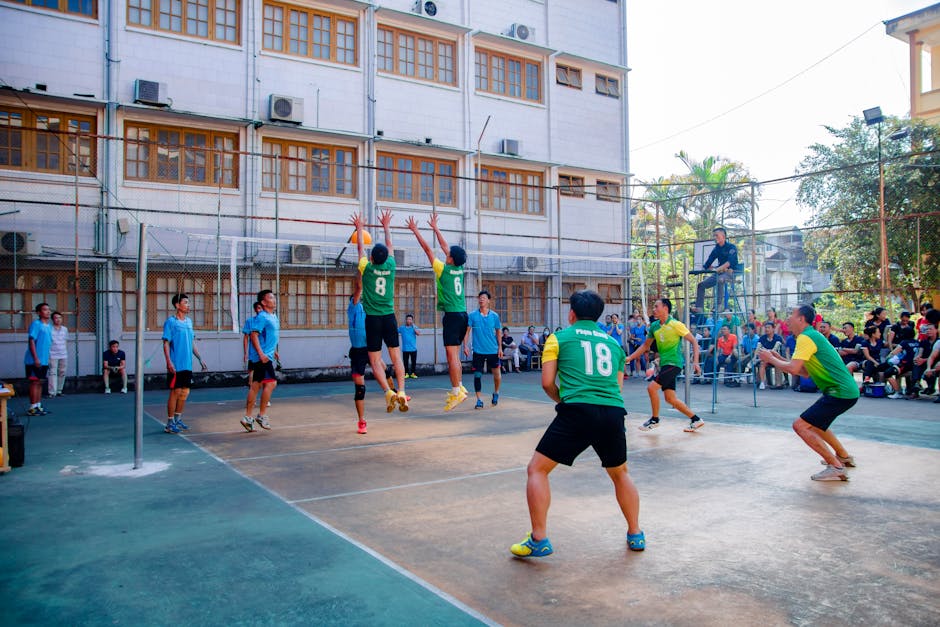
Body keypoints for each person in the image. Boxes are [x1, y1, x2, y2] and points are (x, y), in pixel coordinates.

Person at [509, 290, 644, 558]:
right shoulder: (614, 345)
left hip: (578, 410)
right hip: (613, 412)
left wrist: (563, 400)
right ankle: (636, 533)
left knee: (537, 470)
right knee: (620, 473)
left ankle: (539, 538)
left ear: (571, 314)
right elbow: (617, 387)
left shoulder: (558, 339)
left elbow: (547, 382)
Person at [756, 305, 859, 481]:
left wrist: (770, 359)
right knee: (816, 424)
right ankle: (842, 456)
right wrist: (779, 359)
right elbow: (804, 372)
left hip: (839, 392)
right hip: (843, 391)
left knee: (800, 426)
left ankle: (836, 466)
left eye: (791, 315)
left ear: (801, 319)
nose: (787, 319)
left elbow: (795, 370)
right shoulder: (811, 336)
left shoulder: (806, 337)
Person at [406, 213, 467, 410]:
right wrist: (435, 228)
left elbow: (427, 249)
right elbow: (445, 248)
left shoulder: (443, 270)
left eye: (448, 254)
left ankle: (456, 392)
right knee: (455, 355)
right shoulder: (459, 268)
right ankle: (460, 387)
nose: (445, 253)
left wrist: (416, 231)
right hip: (462, 314)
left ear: (450, 259)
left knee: (451, 357)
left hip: (452, 316)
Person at [353, 210, 408, 412]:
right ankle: (401, 391)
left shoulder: (366, 268)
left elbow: (360, 248)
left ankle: (388, 392)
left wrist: (359, 228)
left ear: (372, 258)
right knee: (396, 357)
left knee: (375, 360)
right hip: (389, 317)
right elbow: (390, 245)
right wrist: (386, 225)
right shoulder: (391, 265)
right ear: (385, 258)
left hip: (373, 319)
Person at [627, 298, 705, 433]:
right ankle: (696, 419)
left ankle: (655, 420)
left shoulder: (676, 324)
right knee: (670, 398)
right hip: (664, 365)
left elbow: (693, 341)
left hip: (674, 363)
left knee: (651, 388)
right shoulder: (654, 326)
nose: (654, 309)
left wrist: (696, 362)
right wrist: (630, 357)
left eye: (657, 306)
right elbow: (645, 346)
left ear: (665, 308)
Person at [348, 273, 391, 435]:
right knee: (360, 389)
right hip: (358, 352)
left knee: (386, 370)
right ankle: (361, 421)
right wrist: (362, 270)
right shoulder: (353, 307)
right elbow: (359, 288)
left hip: (371, 348)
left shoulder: (370, 309)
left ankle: (395, 395)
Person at [162, 293, 208, 434]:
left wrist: (200, 358)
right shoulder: (171, 322)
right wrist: (169, 362)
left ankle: (177, 419)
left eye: (188, 302)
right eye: (186, 302)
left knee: (185, 392)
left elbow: (191, 342)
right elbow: (166, 343)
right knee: (175, 392)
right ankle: (169, 423)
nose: (188, 305)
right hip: (176, 364)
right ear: (177, 305)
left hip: (187, 364)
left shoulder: (188, 322)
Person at [241, 289, 279, 432]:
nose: (273, 299)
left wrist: (274, 351)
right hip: (262, 358)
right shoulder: (262, 317)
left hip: (267, 355)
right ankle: (261, 415)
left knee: (255, 386)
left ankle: (247, 418)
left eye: (274, 297)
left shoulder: (273, 316)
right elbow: (253, 336)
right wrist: (261, 354)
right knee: (271, 383)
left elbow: (269, 337)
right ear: (263, 302)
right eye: (270, 297)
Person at [464, 290, 503, 409]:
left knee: (497, 376)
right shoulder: (472, 315)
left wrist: (500, 347)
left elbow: (498, 332)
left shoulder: (494, 316)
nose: (481, 299)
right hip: (478, 351)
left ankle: (496, 393)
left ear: (488, 301)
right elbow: (467, 332)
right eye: (480, 297)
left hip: (493, 350)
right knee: (477, 375)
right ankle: (479, 400)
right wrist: (465, 346)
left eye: (484, 298)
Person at [693, 227, 738, 313]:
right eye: (714, 236)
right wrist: (700, 270)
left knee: (720, 280)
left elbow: (729, 263)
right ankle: (699, 307)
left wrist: (717, 269)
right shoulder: (716, 249)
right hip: (719, 273)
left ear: (723, 236)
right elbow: (709, 261)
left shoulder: (731, 247)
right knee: (701, 285)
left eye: (717, 235)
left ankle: (719, 305)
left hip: (730, 273)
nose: (715, 237)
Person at [24, 303, 53, 416]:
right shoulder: (36, 324)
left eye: (48, 310)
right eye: (45, 310)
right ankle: (32, 407)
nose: (48, 312)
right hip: (33, 360)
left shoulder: (49, 326)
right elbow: (31, 341)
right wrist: (36, 358)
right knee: (34, 382)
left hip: (44, 360)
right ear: (39, 313)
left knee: (40, 382)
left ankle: (38, 406)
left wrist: (47, 358)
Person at [757, 322, 783, 390]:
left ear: (773, 329)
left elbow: (774, 349)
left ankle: (778, 384)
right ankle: (762, 382)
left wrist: (766, 350)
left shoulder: (778, 337)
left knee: (778, 364)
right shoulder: (762, 338)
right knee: (762, 364)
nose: (766, 329)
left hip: (776, 357)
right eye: (766, 327)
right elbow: (758, 348)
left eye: (768, 327)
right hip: (765, 358)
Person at [47, 311, 68, 397]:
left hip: (63, 353)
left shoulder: (65, 329)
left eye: (59, 318)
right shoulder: (49, 329)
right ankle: (52, 392)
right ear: (52, 320)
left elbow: (66, 340)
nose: (58, 320)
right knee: (52, 372)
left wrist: (65, 350)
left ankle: (59, 390)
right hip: (52, 354)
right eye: (56, 318)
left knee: (62, 372)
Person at [242, 301, 263, 388]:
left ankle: (265, 398)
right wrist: (245, 353)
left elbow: (271, 338)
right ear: (255, 310)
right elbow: (246, 338)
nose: (260, 310)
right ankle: (252, 397)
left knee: (264, 377)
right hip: (253, 353)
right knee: (251, 376)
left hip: (264, 353)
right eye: (258, 308)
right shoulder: (250, 321)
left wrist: (275, 351)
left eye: (261, 308)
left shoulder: (267, 321)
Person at [398, 314, 421, 379]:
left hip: (413, 349)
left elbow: (418, 333)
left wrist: (413, 326)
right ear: (406, 320)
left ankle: (413, 374)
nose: (409, 320)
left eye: (410, 319)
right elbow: (395, 331)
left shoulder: (414, 327)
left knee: (413, 362)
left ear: (412, 320)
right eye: (408, 319)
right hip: (405, 349)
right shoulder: (402, 328)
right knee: (405, 362)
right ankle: (406, 374)